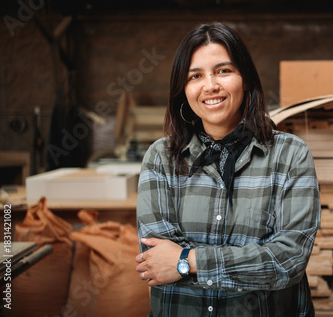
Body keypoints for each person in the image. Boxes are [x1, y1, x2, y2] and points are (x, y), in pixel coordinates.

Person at [135, 22, 320, 317]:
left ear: (245, 79)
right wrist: (251, 263)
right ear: (183, 90)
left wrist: (187, 262)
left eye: (223, 71)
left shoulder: (290, 155)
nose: (210, 85)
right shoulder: (161, 158)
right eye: (196, 76)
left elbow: (288, 260)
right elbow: (158, 260)